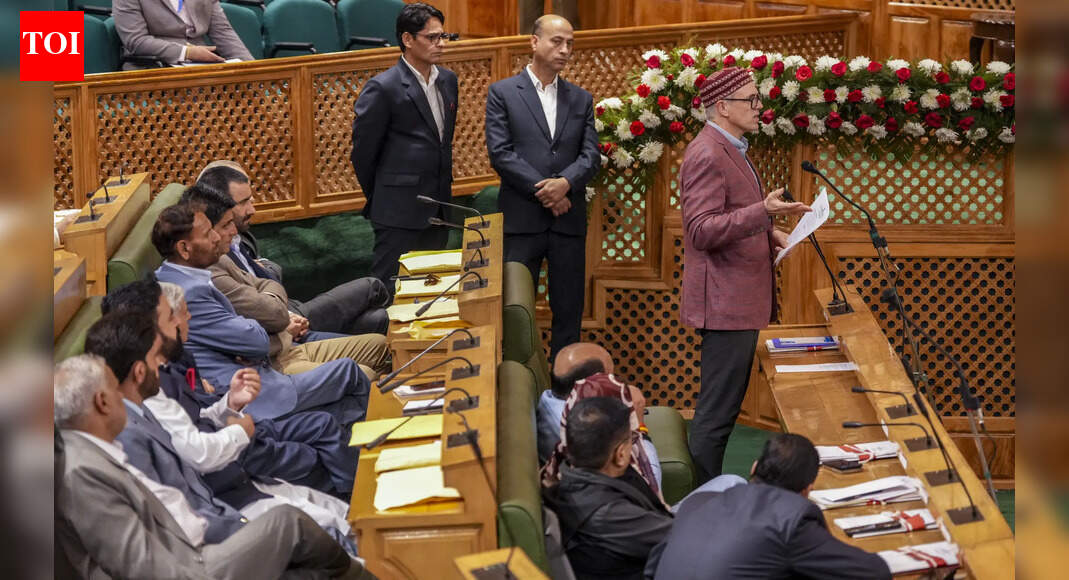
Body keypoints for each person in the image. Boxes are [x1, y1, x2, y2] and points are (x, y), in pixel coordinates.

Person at [54, 354, 374, 579]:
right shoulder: (81, 471)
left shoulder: (94, 450)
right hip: (193, 566)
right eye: (116, 391)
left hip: (203, 540)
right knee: (289, 523)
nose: (126, 400)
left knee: (311, 562)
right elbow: (143, 566)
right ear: (103, 402)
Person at [86, 310, 358, 552]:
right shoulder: (128, 430)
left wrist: (230, 405)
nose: (162, 364)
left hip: (235, 487)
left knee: (343, 517)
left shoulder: (148, 397)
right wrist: (238, 432)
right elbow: (197, 461)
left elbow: (194, 424)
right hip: (221, 514)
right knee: (333, 534)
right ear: (139, 371)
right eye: (156, 358)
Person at [679, 67, 811, 483]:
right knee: (716, 415)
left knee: (722, 411)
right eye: (751, 100)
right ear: (722, 106)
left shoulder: (731, 147)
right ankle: (702, 499)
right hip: (724, 302)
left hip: (736, 298)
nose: (760, 107)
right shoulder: (707, 153)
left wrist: (769, 232)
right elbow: (701, 230)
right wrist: (762, 212)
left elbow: (730, 213)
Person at [153, 202, 372, 427]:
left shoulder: (173, 276)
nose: (217, 238)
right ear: (184, 248)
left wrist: (243, 332)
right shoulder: (190, 292)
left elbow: (266, 290)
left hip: (258, 370)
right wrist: (248, 330)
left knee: (349, 398)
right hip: (247, 394)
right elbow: (256, 342)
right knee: (350, 372)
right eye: (208, 233)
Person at [159, 281, 361, 499]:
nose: (189, 317)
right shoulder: (156, 383)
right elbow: (196, 447)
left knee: (323, 423)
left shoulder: (180, 358)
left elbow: (269, 285)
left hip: (240, 420)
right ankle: (360, 502)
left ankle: (363, 488)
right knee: (314, 456)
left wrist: (230, 402)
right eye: (183, 314)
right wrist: (237, 429)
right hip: (231, 451)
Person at [181, 183, 391, 380]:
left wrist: (275, 308)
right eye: (226, 225)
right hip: (271, 362)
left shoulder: (221, 257)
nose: (234, 231)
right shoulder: (205, 273)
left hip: (285, 333)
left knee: (381, 344)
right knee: (361, 372)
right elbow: (264, 321)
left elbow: (269, 282)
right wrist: (281, 321)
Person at [484, 14, 600, 360]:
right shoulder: (503, 92)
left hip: (568, 223)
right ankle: (519, 381)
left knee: (569, 312)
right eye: (557, 41)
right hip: (522, 221)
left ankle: (564, 387)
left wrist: (565, 183)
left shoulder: (581, 98)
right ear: (534, 42)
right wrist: (548, 192)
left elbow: (590, 156)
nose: (565, 50)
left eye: (570, 44)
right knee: (516, 312)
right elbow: (501, 154)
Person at [650, 433, 891, 579]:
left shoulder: (696, 502)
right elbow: (873, 571)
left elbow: (652, 566)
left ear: (754, 468)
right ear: (807, 490)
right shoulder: (791, 520)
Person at [197, 162, 391, 335]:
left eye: (251, 199)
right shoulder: (213, 253)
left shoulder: (241, 235)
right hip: (281, 319)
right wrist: (275, 301)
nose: (252, 209)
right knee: (372, 286)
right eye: (244, 202)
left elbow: (272, 274)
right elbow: (261, 296)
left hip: (288, 307)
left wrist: (266, 278)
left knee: (379, 318)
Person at [350, 2, 458, 289]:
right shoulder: (383, 87)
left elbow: (442, 143)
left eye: (443, 36)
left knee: (431, 291)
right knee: (390, 292)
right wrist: (385, 194)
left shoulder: (448, 80)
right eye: (432, 37)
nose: (441, 44)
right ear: (407, 39)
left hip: (439, 207)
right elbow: (363, 154)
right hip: (397, 210)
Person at [543, 397, 673, 580]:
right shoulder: (607, 513)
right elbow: (679, 537)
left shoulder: (570, 476)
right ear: (620, 454)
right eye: (632, 439)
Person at [538, 342, 661, 492]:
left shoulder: (549, 400)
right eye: (612, 377)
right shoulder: (584, 428)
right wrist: (640, 427)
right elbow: (650, 483)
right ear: (595, 383)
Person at [113, 0, 253, 70]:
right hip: (152, 68)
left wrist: (253, 68)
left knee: (244, 93)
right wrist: (187, 52)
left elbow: (223, 32)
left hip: (201, 69)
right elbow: (136, 41)